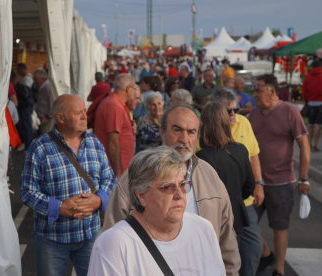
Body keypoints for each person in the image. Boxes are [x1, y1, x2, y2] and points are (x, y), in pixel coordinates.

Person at [103, 102, 241, 275]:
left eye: (191, 132)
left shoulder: (209, 175)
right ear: (162, 132)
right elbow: (112, 232)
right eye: (177, 130)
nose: (184, 139)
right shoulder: (135, 175)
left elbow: (226, 235)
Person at [88, 146, 226, 275]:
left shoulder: (203, 229)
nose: (179, 195)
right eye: (167, 187)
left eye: (182, 184)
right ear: (141, 195)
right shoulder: (114, 244)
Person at [20, 94, 117, 276]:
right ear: (60, 118)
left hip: (90, 233)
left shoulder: (95, 143)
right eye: (78, 112)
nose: (84, 116)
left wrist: (99, 200)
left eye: (84, 111)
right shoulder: (39, 147)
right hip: (52, 238)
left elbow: (110, 179)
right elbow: (27, 192)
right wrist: (59, 207)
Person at [249, 74, 310, 276]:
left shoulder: (290, 112)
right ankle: (266, 254)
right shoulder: (254, 114)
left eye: (258, 90)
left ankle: (280, 269)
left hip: (281, 183)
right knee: (245, 223)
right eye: (254, 89)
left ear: (271, 91)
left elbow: (304, 146)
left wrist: (303, 178)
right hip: (256, 183)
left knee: (279, 227)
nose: (254, 94)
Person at [209, 89, 264, 276]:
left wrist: (259, 184)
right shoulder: (205, 131)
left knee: (253, 248)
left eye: (236, 109)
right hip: (216, 206)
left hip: (243, 202)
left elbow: (254, 155)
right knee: (222, 250)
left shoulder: (244, 123)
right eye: (228, 110)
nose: (233, 114)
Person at [196, 101, 255, 237]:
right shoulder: (241, 149)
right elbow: (249, 186)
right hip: (237, 217)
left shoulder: (203, 156)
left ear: (203, 124)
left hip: (215, 220)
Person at [94, 74, 136, 179]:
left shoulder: (115, 102)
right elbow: (113, 142)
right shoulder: (114, 106)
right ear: (128, 89)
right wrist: (118, 173)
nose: (134, 92)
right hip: (115, 170)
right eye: (134, 89)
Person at [301, 59, 322, 152]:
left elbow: (303, 91)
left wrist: (306, 100)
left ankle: (309, 144)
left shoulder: (307, 78)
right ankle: (315, 145)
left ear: (313, 67)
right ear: (320, 67)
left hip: (310, 103)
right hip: (321, 103)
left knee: (310, 125)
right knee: (318, 125)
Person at [12, 71, 34, 152]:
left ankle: (28, 145)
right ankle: (26, 144)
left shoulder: (18, 87)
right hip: (25, 108)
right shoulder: (20, 86)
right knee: (24, 126)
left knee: (26, 127)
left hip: (25, 108)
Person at [34, 69, 52, 135]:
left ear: (42, 79)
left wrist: (46, 116)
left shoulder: (47, 88)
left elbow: (54, 105)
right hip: (42, 120)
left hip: (47, 120)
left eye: (35, 79)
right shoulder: (43, 87)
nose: (34, 81)